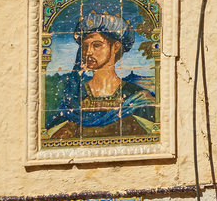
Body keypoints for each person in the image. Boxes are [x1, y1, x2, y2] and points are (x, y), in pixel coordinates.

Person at [45, 9, 157, 143]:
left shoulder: (138, 97)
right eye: (85, 46)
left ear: (115, 47)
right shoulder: (74, 96)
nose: (88, 52)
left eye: (96, 45)